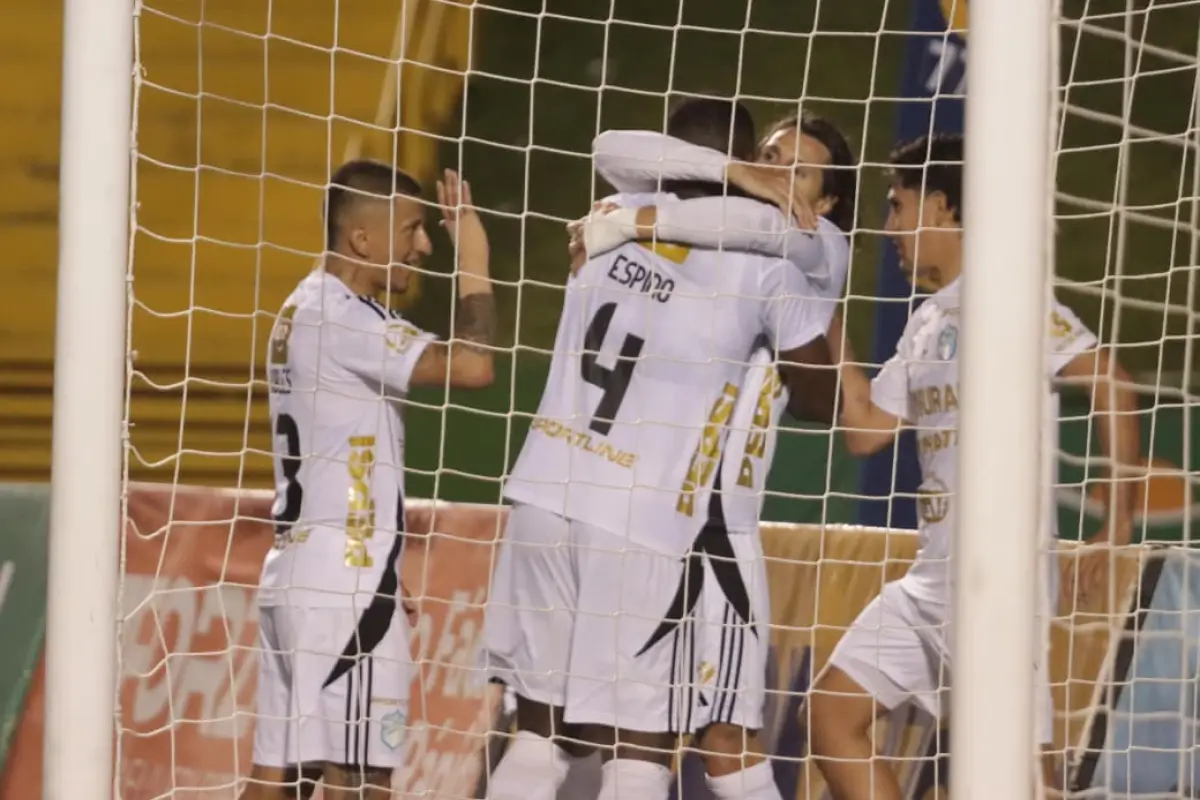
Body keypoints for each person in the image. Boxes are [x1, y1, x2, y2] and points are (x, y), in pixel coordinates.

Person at [482, 97, 839, 800]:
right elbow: (822, 400)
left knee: (536, 731)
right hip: (640, 519)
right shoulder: (764, 262)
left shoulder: (608, 219)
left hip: (542, 493)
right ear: (742, 169)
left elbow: (614, 144)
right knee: (636, 745)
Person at [812, 133, 1140, 800]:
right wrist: (824, 310)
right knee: (829, 719)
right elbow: (866, 432)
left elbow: (1110, 379)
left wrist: (1118, 519)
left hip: (997, 584)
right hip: (930, 581)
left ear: (940, 206)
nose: (890, 227)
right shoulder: (928, 321)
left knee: (1024, 776)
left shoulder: (1005, 298)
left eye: (896, 206)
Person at [572, 110, 857, 798]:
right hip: (653, 510)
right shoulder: (720, 233)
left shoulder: (817, 245)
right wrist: (725, 171)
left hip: (717, 526)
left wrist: (627, 224)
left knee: (724, 735)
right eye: (767, 154)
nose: (774, 172)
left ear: (826, 203)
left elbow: (758, 224)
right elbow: (612, 147)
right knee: (638, 729)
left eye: (797, 169)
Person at [244, 162, 495, 800]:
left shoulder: (302, 306)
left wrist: (381, 556)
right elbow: (473, 367)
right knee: (361, 781)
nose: (424, 245)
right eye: (412, 229)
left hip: (305, 568)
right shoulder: (345, 318)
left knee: (282, 777)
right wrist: (474, 252)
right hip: (343, 582)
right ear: (361, 240)